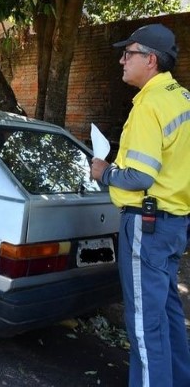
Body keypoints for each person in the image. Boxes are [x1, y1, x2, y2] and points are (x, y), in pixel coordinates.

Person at [91, 23, 190, 386]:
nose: (121, 60)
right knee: (167, 313)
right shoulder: (182, 98)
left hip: (147, 227)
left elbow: (140, 178)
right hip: (175, 224)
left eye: (127, 53)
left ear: (150, 60)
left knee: (145, 329)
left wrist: (104, 172)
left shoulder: (149, 103)